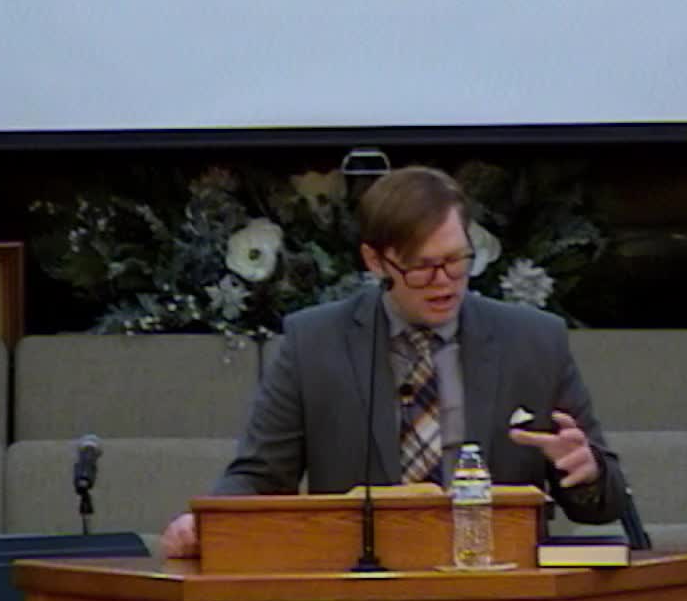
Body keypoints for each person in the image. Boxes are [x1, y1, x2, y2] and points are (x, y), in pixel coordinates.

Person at [161, 165, 625, 558]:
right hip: (360, 586)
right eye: (421, 267)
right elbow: (260, 476)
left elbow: (604, 504)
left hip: (501, 584)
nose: (444, 281)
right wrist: (208, 524)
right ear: (376, 261)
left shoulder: (533, 341)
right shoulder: (315, 343)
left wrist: (586, 472)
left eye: (456, 260)